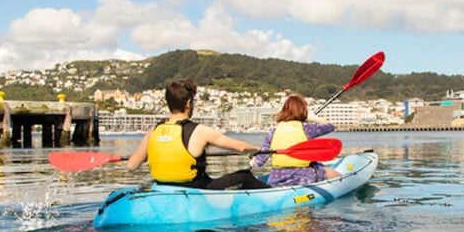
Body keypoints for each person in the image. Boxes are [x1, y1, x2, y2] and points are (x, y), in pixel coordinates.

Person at [127, 78, 269, 190]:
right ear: (188, 103)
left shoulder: (153, 131)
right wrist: (257, 150)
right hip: (196, 189)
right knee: (244, 176)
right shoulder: (200, 131)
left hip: (162, 186)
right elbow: (240, 148)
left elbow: (131, 166)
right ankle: (277, 194)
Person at [252, 93, 340, 186]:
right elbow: (330, 126)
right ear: (303, 111)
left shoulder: (273, 131)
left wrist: (252, 161)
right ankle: (343, 182)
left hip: (277, 178)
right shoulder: (307, 129)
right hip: (304, 177)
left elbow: (259, 162)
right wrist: (314, 117)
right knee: (324, 169)